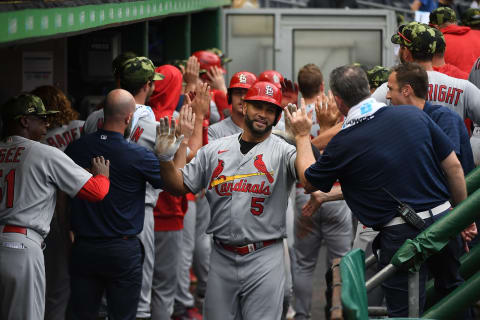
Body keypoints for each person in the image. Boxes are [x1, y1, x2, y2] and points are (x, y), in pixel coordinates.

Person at [289, 64, 476, 317]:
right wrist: (461, 219)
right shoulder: (413, 114)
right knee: (454, 297)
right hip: (444, 222)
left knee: (403, 312)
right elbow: (453, 167)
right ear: (368, 89)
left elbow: (309, 181)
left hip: (401, 234)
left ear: (337, 100)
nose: (388, 94)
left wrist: (301, 135)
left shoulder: (343, 141)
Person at [154, 81, 301, 320]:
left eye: (270, 110)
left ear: (276, 116)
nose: (263, 114)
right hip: (222, 255)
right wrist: (164, 158)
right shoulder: (214, 150)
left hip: (265, 254)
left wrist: (302, 138)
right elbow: (177, 186)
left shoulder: (284, 151)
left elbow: (311, 179)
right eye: (257, 106)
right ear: (244, 107)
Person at [0, 93, 110, 320]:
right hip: (21, 246)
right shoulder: (44, 153)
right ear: (24, 121)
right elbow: (96, 191)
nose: (47, 124)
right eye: (41, 119)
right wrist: (102, 175)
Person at [65, 89, 164, 320]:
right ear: (129, 118)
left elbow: (61, 196)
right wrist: (175, 148)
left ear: (102, 114)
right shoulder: (138, 154)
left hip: (84, 246)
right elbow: (175, 183)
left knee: (83, 315)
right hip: (122, 248)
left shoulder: (75, 149)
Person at [292, 64, 352, 320]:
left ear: (299, 87)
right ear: (320, 87)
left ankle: (302, 315)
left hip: (304, 193)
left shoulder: (293, 114)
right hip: (336, 193)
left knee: (304, 264)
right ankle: (335, 313)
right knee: (339, 263)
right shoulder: (335, 108)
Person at [31, 85, 85, 320]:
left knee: (54, 285)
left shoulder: (38, 141)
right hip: (83, 210)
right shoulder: (80, 128)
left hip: (48, 215)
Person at [373, 22, 480, 125]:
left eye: (401, 47)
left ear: (406, 52)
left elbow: (362, 120)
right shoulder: (463, 87)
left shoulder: (389, 89)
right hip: (453, 142)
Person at [208, 71, 257, 140]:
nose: (242, 97)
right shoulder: (214, 131)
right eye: (238, 93)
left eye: (247, 93)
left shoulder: (264, 130)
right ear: (229, 97)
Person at [429, 6, 480, 73]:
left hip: (455, 81)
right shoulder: (477, 34)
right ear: (455, 22)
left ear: (435, 27)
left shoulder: (436, 43)